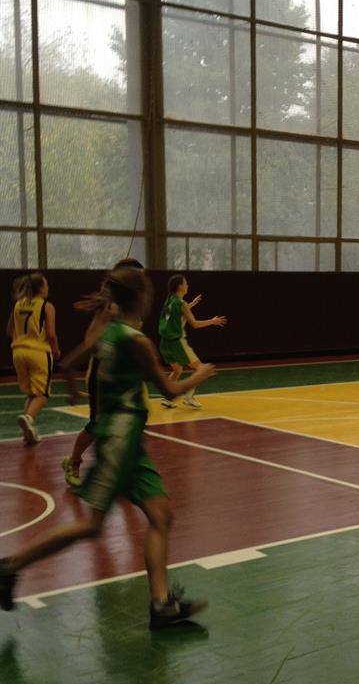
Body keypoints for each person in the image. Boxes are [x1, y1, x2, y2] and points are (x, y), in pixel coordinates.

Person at [0, 267, 214, 629]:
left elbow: (71, 361)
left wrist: (73, 388)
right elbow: (170, 389)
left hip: (126, 438)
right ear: (141, 299)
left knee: (161, 515)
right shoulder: (137, 342)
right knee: (92, 526)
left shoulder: (108, 332)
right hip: (120, 439)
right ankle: (10, 566)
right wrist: (201, 374)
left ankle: (161, 604)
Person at [61, 257, 145, 489]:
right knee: (98, 424)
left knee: (130, 420)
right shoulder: (110, 307)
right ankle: (73, 461)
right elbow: (91, 341)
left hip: (124, 372)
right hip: (103, 370)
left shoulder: (132, 305)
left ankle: (127, 468)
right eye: (138, 276)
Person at [6, 272, 60, 446]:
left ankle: (28, 432)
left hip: (18, 352)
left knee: (31, 393)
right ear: (41, 288)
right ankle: (28, 417)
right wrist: (55, 349)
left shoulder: (18, 304)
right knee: (42, 394)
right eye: (46, 284)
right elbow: (50, 333)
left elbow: (9, 330)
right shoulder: (46, 306)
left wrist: (23, 338)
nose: (48, 287)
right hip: (38, 352)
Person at [158, 275, 226, 409]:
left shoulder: (170, 301)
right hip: (177, 342)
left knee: (177, 370)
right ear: (180, 286)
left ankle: (167, 397)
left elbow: (173, 315)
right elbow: (194, 324)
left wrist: (190, 305)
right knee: (200, 369)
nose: (187, 285)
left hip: (164, 343)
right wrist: (212, 321)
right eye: (186, 283)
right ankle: (188, 397)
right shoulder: (181, 303)